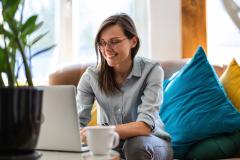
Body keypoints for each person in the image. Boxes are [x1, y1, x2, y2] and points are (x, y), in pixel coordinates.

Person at [77, 13, 173, 160]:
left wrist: (101, 132)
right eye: (102, 43)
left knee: (135, 145)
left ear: (133, 41)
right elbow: (77, 122)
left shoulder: (152, 70)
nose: (106, 48)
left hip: (151, 141)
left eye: (114, 41)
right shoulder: (91, 77)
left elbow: (145, 126)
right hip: (110, 144)